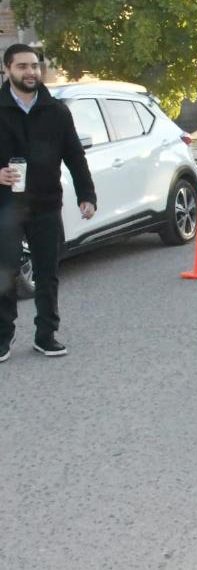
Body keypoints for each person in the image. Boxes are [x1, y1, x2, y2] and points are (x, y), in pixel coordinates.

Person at [0, 44, 96, 363]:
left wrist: (87, 195)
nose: (30, 72)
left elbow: (75, 156)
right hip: (5, 206)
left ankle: (46, 335)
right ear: (7, 70)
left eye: (34, 66)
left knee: (47, 271)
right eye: (22, 66)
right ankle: (3, 337)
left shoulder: (56, 111)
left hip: (45, 204)